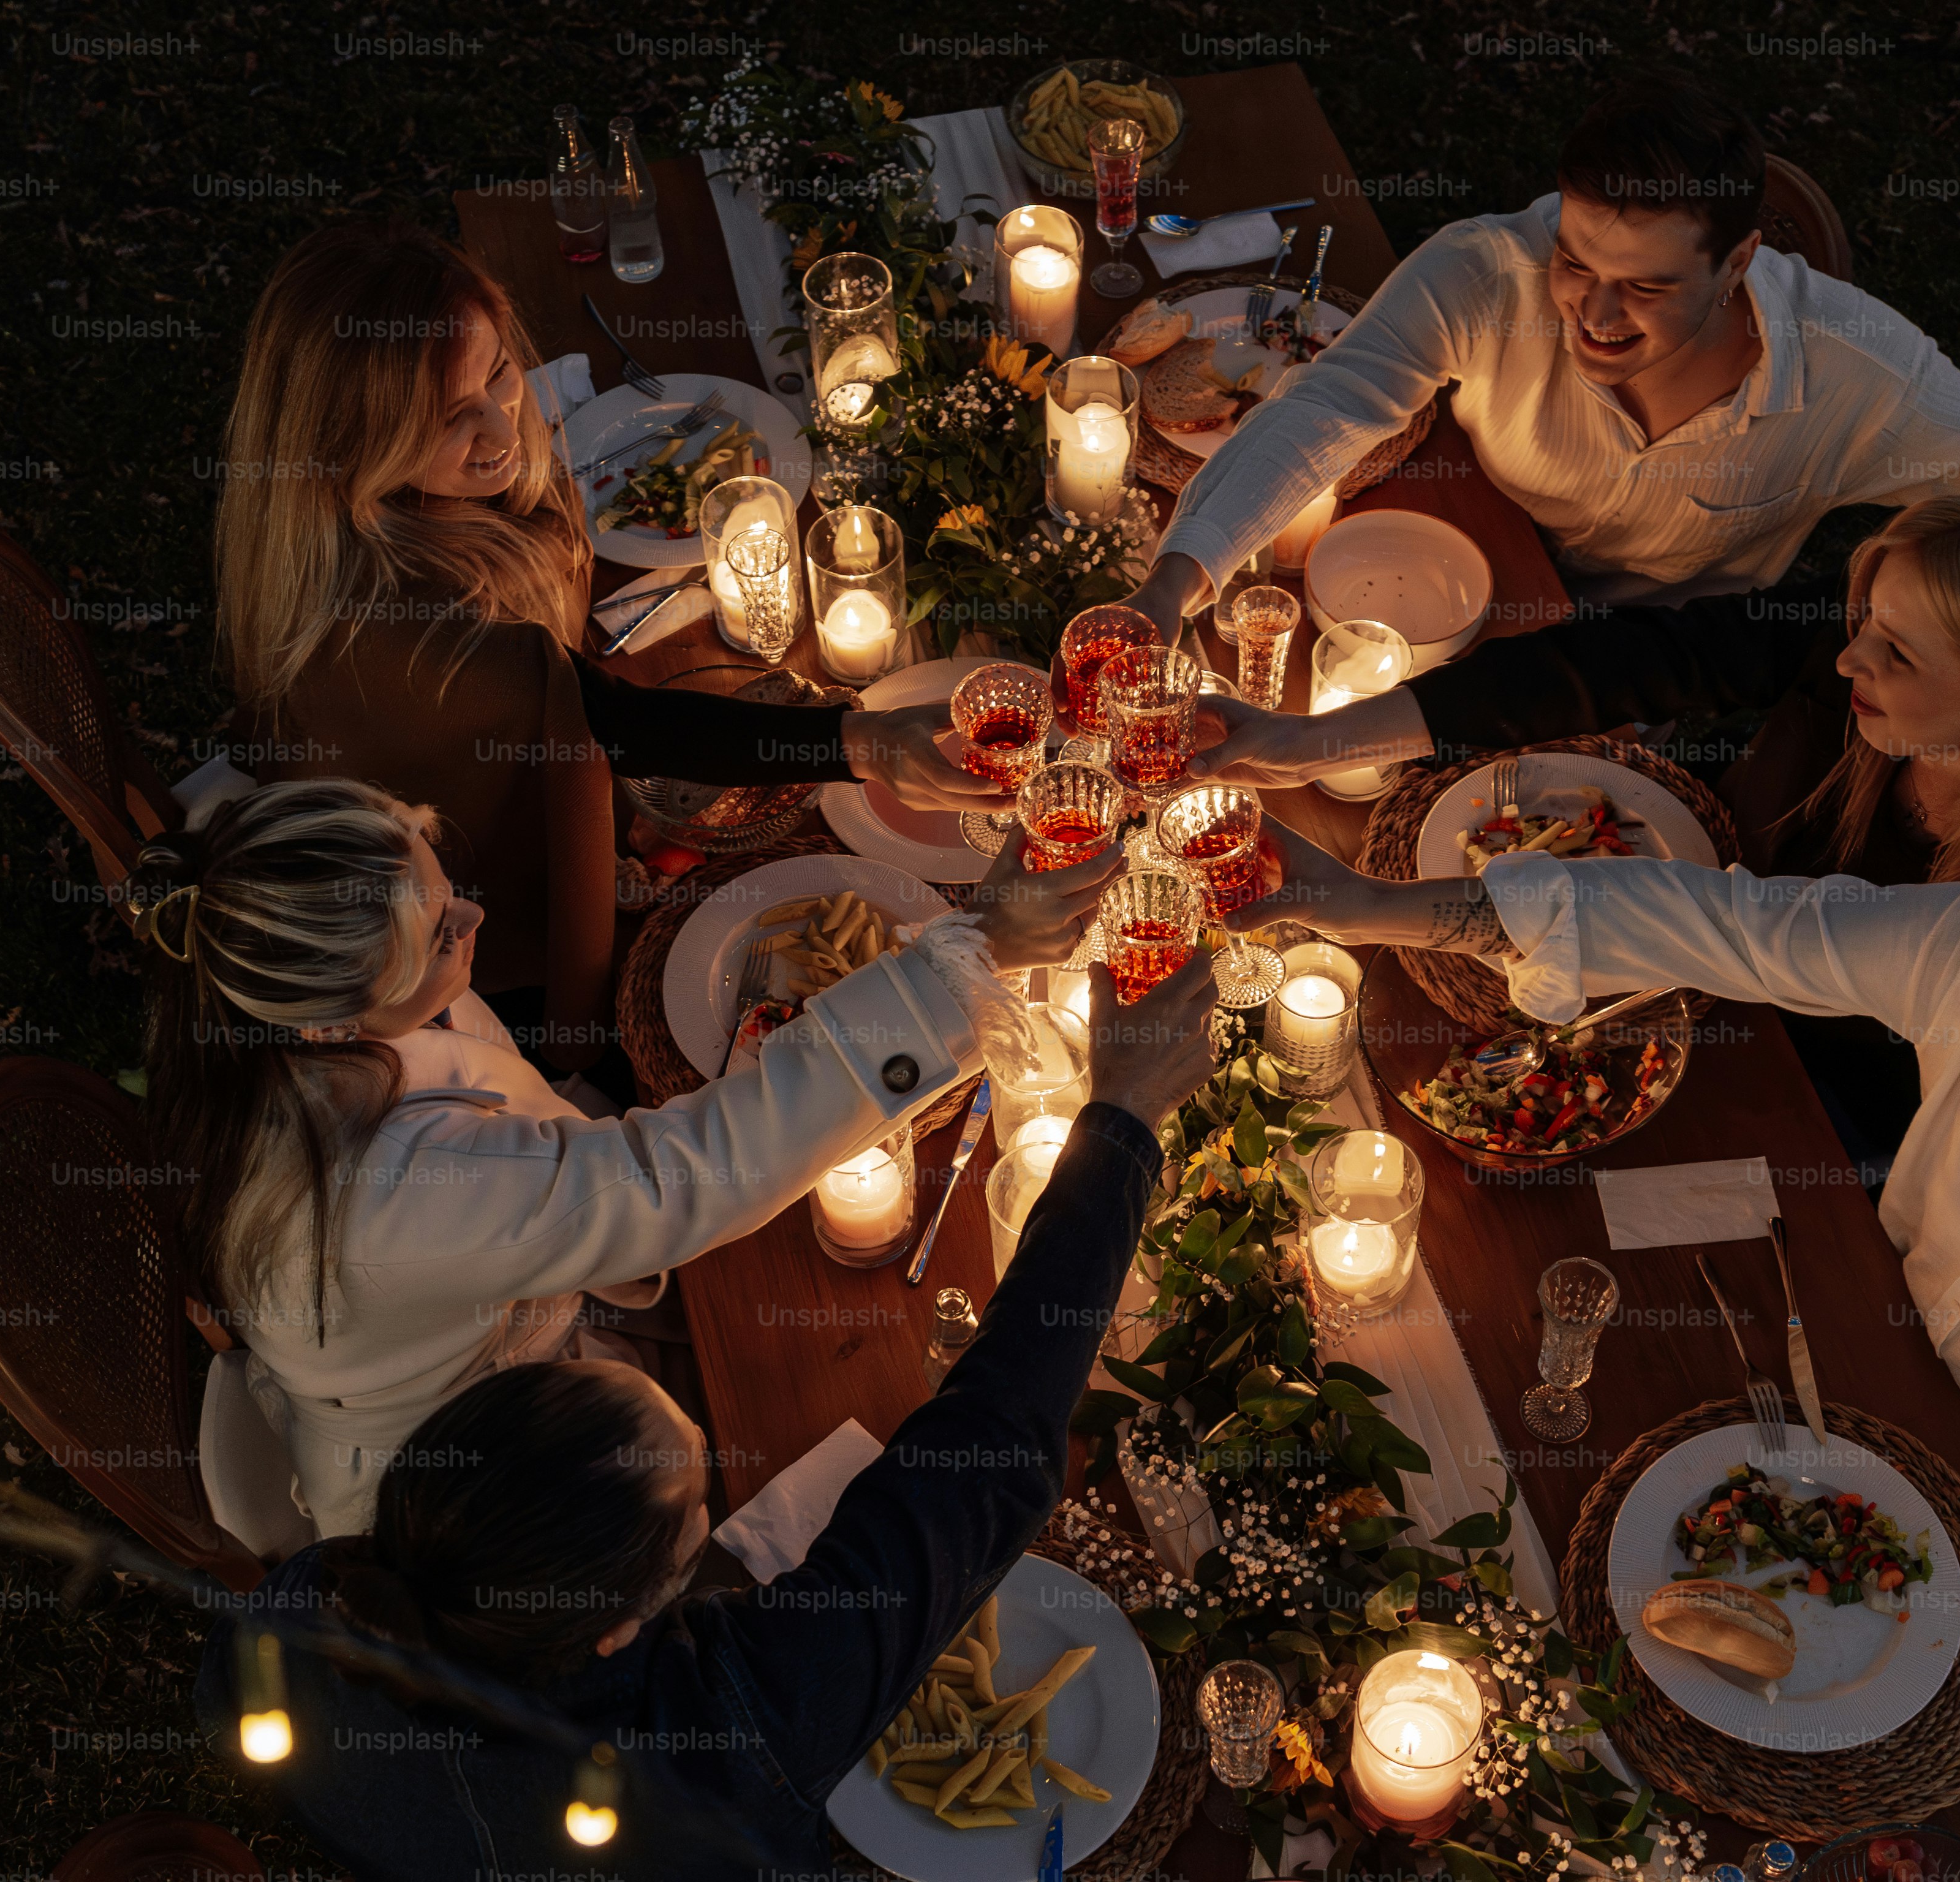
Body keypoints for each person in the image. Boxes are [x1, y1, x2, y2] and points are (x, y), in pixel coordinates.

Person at [1258, 825, 1960, 1684]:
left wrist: (1902, 1661)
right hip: (1824, 1319)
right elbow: (1746, 929)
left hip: (1951, 1564)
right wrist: (1377, 907)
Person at [193, 952, 1224, 1880]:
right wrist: (1124, 1122)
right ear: (625, 1630)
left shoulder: (296, 1623)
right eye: (698, 1482)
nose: (704, 1445)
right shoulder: (740, 1730)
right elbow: (986, 1455)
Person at [131, 776, 1114, 1537]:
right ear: (334, 1018)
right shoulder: (382, 1196)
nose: (473, 921)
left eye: (445, 890)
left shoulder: (255, 989)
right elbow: (677, 1180)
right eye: (439, 938)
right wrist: (959, 964)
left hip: (502, 1312)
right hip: (482, 1478)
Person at [214, 220, 1001, 1079]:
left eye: (500, 376)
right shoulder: (402, 635)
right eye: (449, 418)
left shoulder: (378, 510)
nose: (501, 427)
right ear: (353, 442)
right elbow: (617, 723)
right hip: (461, 918)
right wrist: (864, 743)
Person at [1124, 72, 1960, 664]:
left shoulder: (1851, 372)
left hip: (1640, 669)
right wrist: (1180, 579)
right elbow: (1328, 406)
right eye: (1577, 261)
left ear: (1741, 261)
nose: (1594, 314)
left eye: (1646, 287)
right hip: (1451, 561)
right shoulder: (1485, 271)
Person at [1208, 486, 1960, 1174]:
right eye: (1861, 616)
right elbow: (1628, 662)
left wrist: (1375, 908)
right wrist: (1314, 741)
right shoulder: (1863, 661)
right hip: (1640, 959)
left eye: (1895, 652)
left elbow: (1934, 1119)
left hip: (1790, 1110)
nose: (1846, 655)